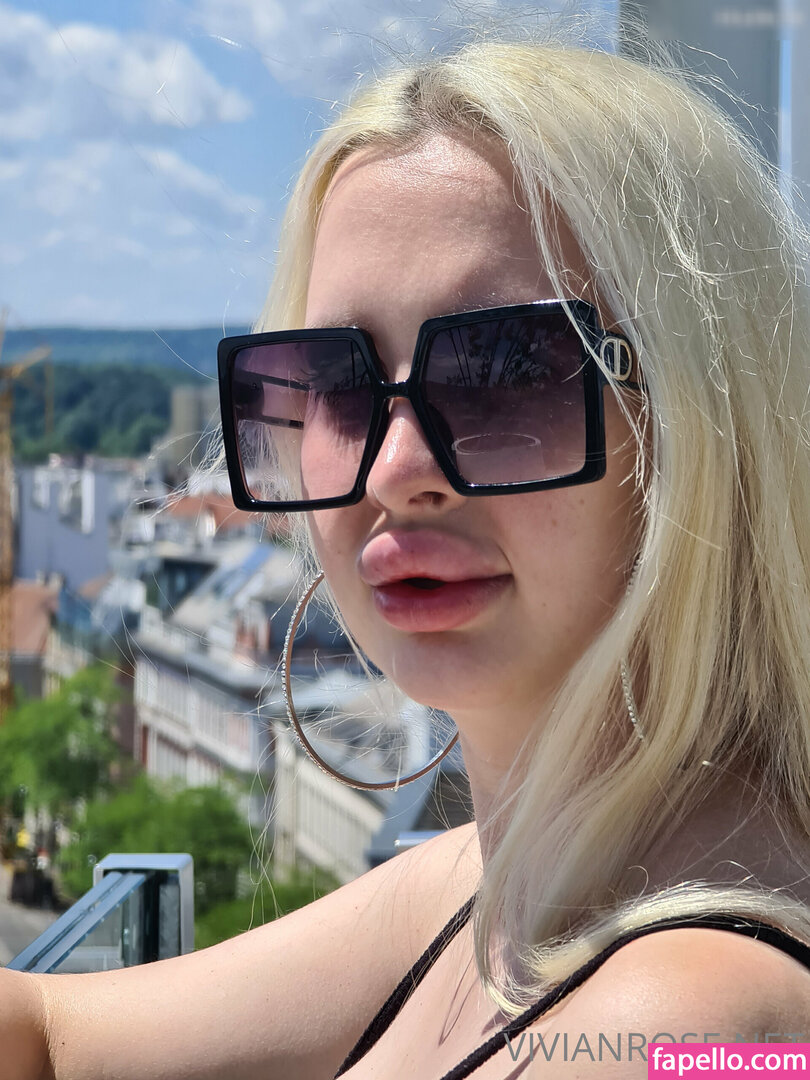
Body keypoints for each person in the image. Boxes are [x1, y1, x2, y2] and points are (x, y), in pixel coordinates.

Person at [2, 17, 810, 1080]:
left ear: (708, 419)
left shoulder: (695, 1022)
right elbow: (47, 1033)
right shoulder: (501, 880)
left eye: (505, 368)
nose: (394, 469)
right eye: (335, 382)